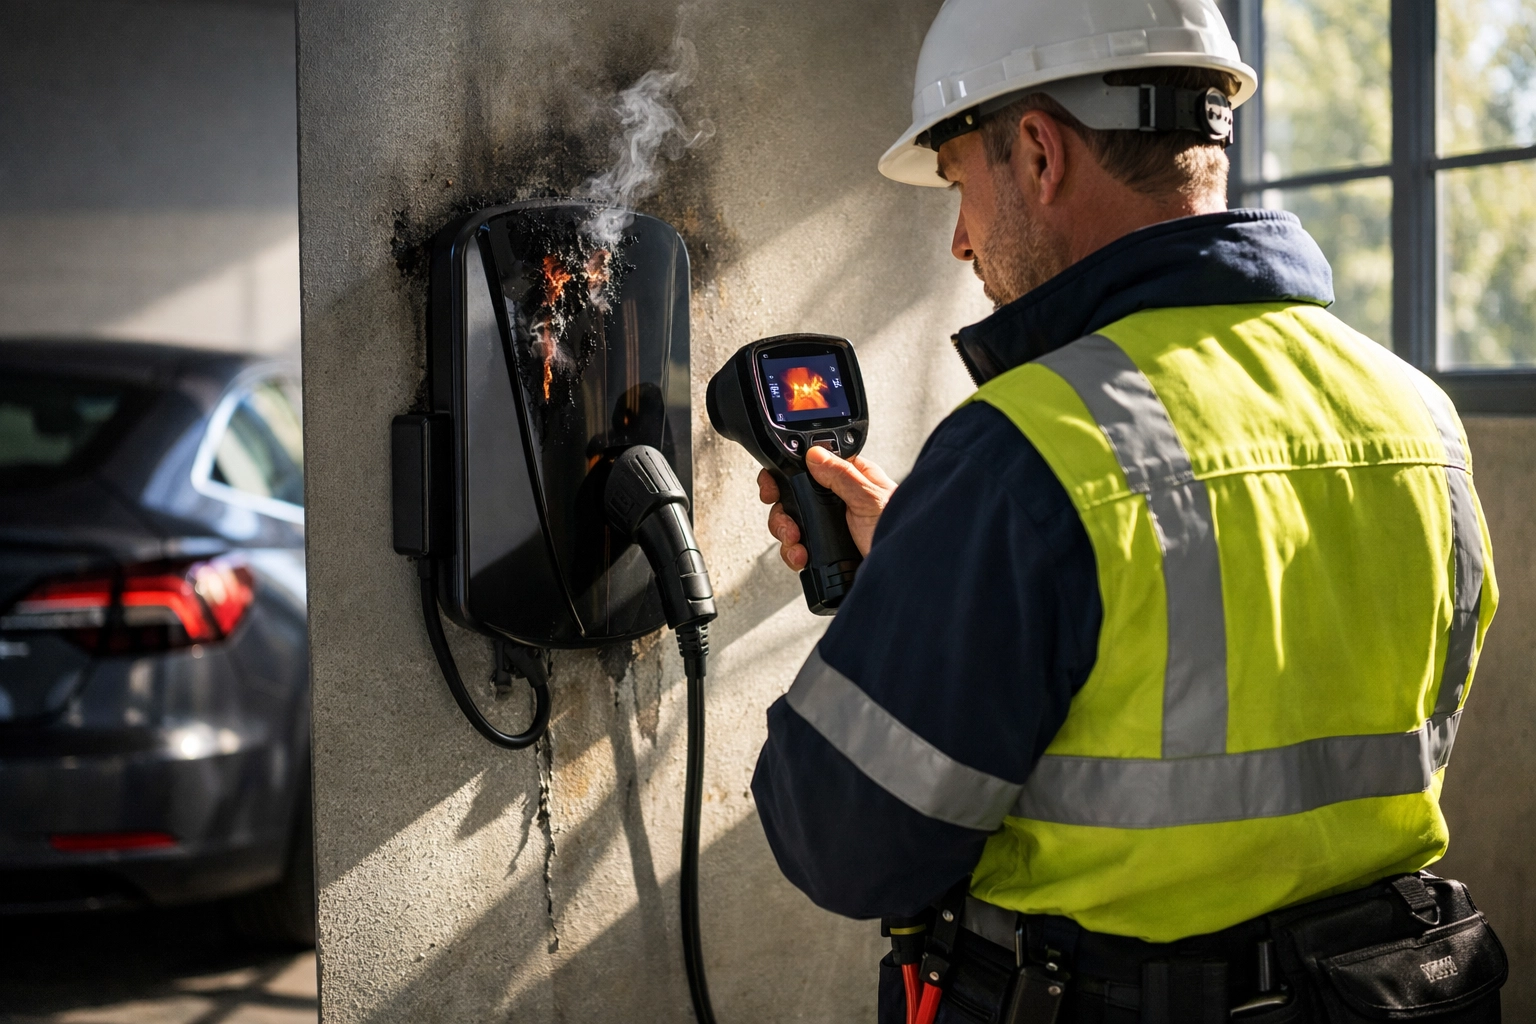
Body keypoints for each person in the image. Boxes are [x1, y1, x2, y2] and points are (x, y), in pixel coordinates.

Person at [748, 1, 1506, 1021]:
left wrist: (936, 584)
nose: (963, 239)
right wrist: (932, 567)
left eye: (960, 185)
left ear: (1038, 152)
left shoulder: (1024, 452)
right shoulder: (1420, 419)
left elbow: (844, 841)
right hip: (1379, 992)